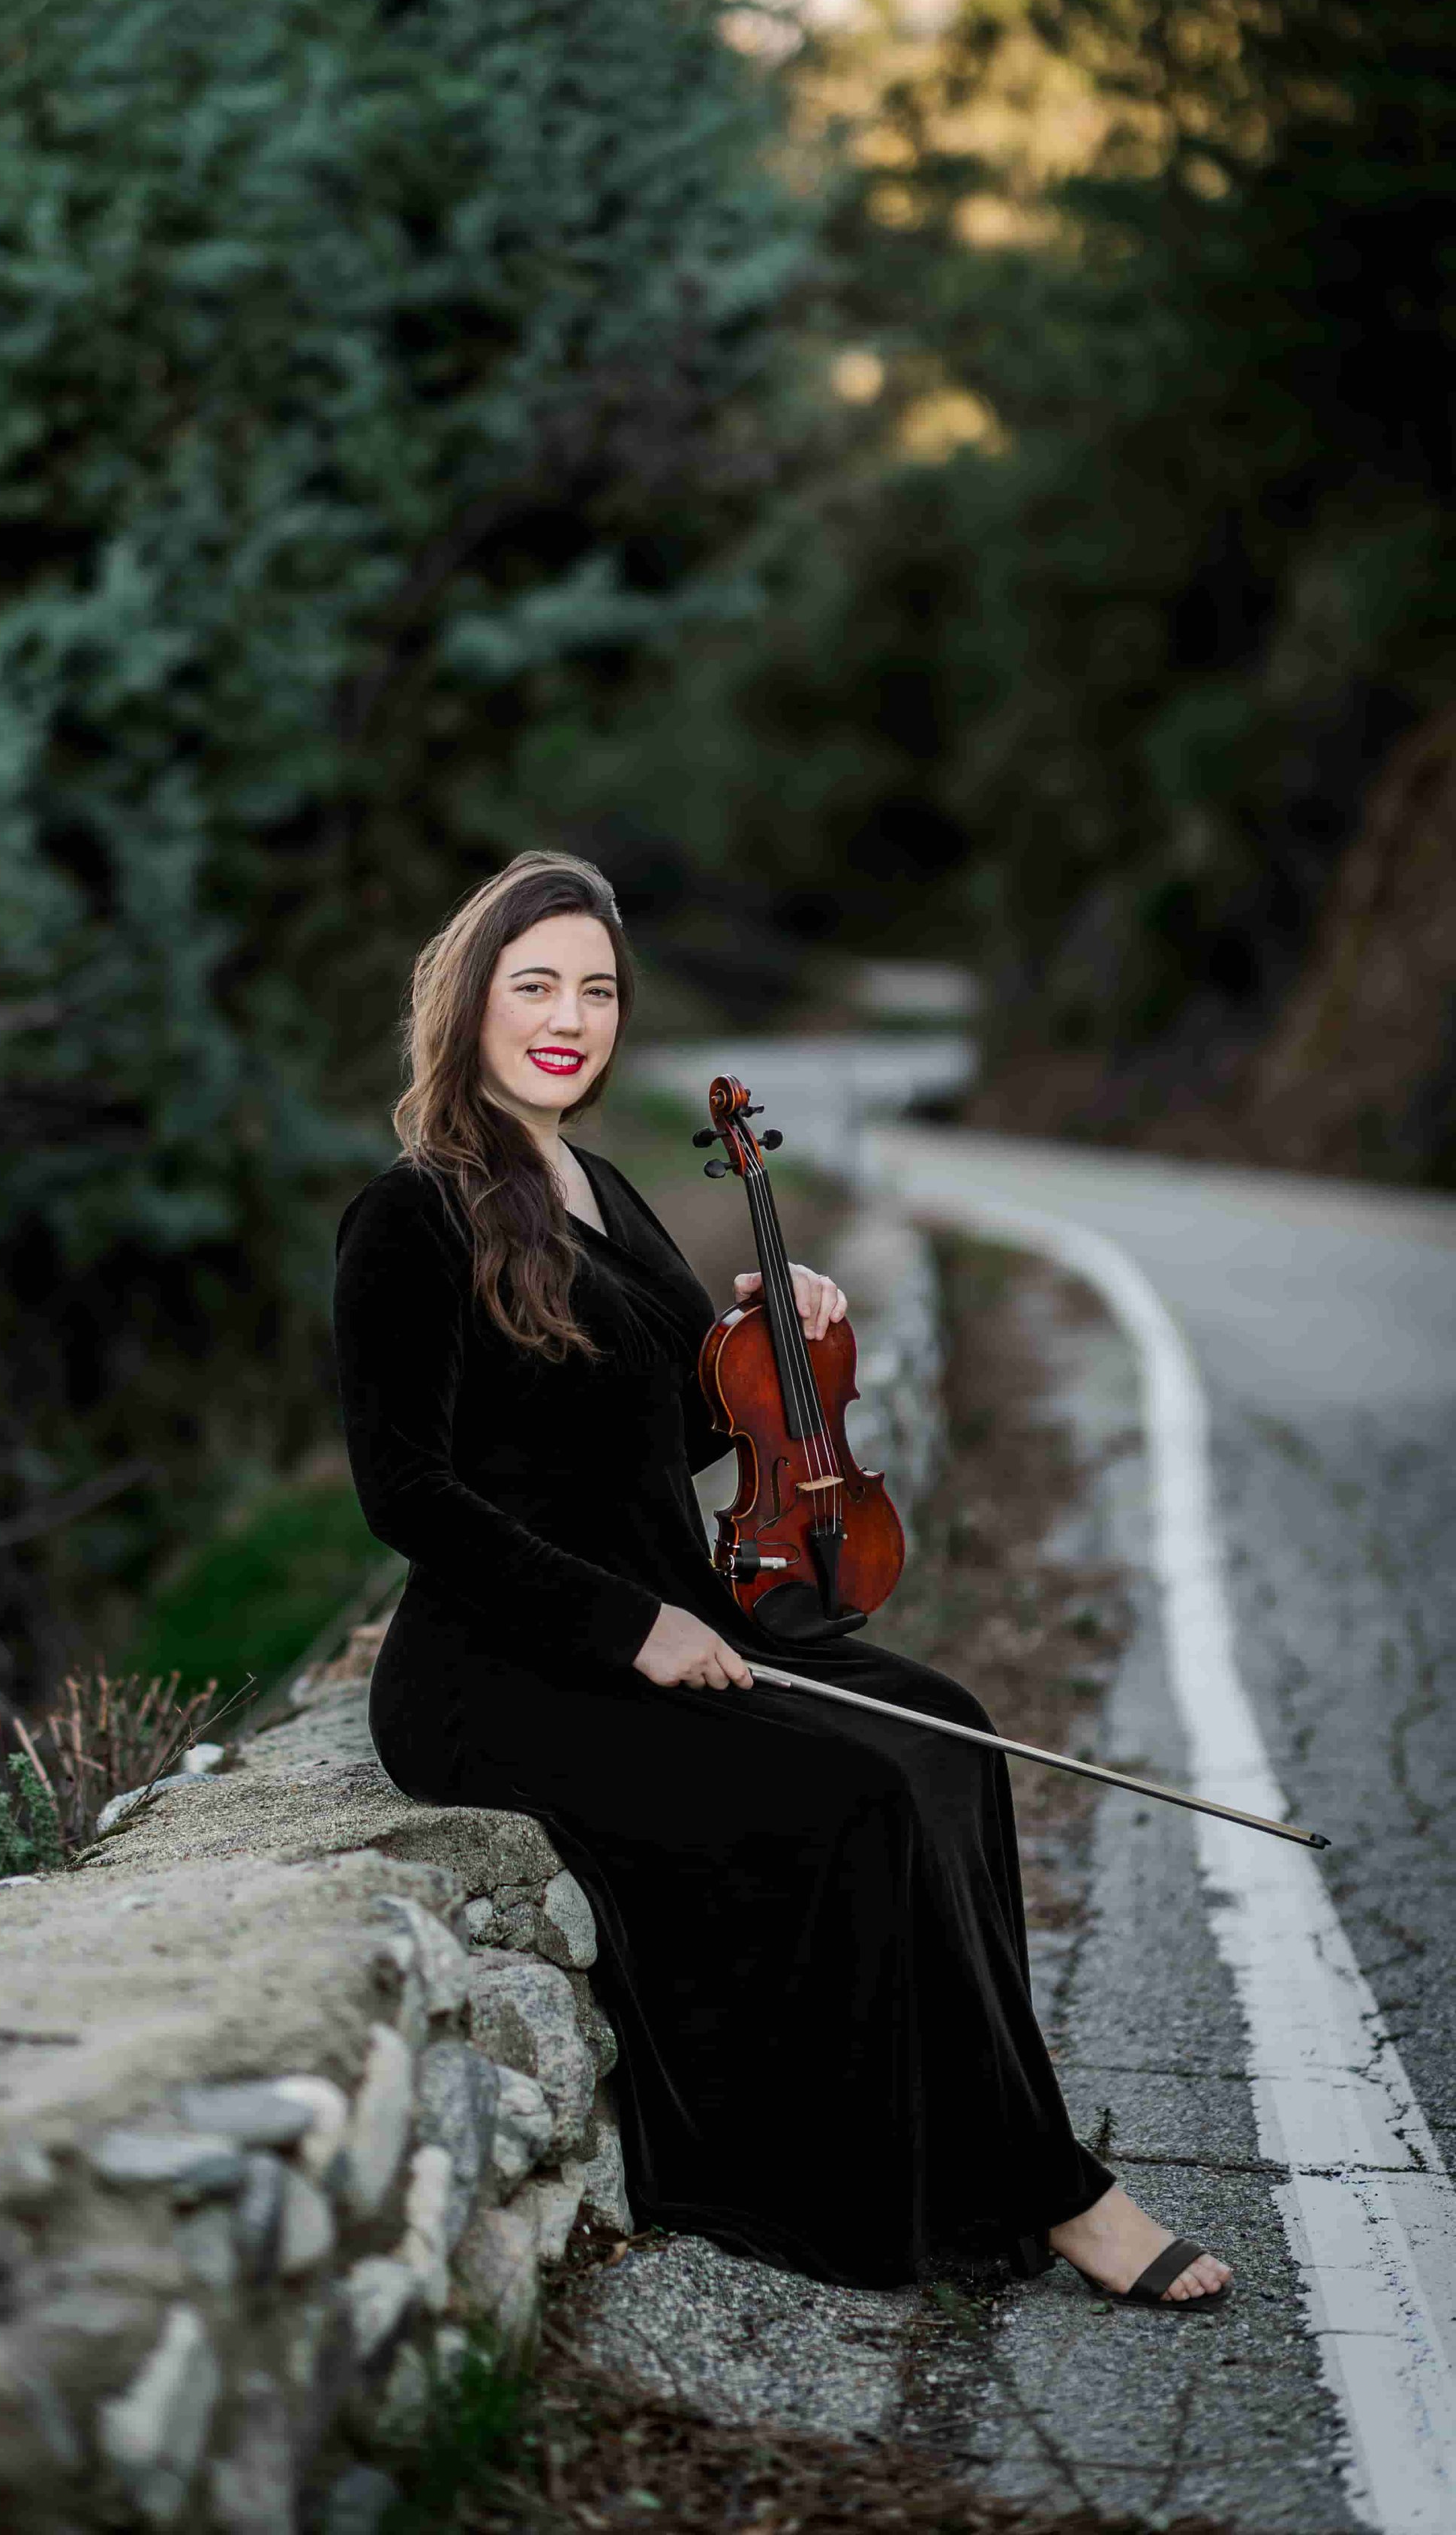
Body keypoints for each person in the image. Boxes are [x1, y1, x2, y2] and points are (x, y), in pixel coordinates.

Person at [333, 850, 1231, 2308]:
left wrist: (773, 1329)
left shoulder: (601, 1186)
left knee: (946, 1737)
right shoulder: (410, 1213)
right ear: (467, 1004)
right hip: (497, 1669)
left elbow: (685, 1427)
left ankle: (969, 2161)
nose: (567, 1016)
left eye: (596, 990)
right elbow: (406, 1493)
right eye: (533, 985)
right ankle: (1055, 2195)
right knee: (853, 1792)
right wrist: (630, 1625)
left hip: (673, 1610)